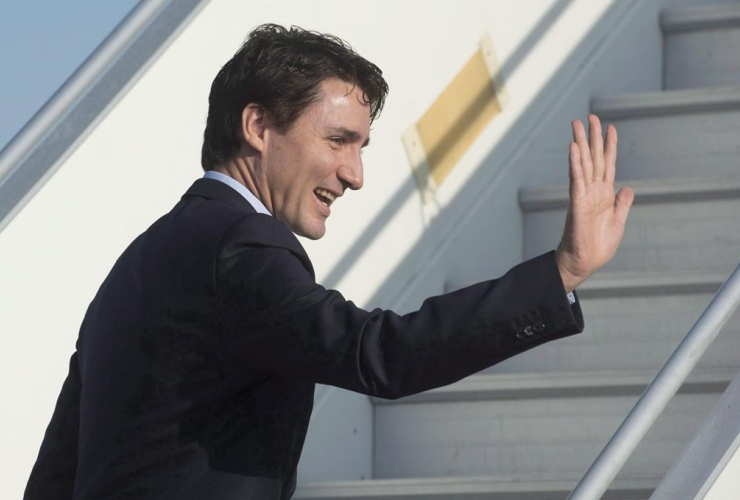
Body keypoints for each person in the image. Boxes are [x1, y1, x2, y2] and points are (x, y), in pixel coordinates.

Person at [24, 23, 634, 500]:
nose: (356, 175)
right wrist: (562, 272)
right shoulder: (241, 246)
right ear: (258, 126)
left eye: (361, 147)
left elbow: (60, 467)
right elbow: (382, 353)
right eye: (338, 140)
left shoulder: (143, 258)